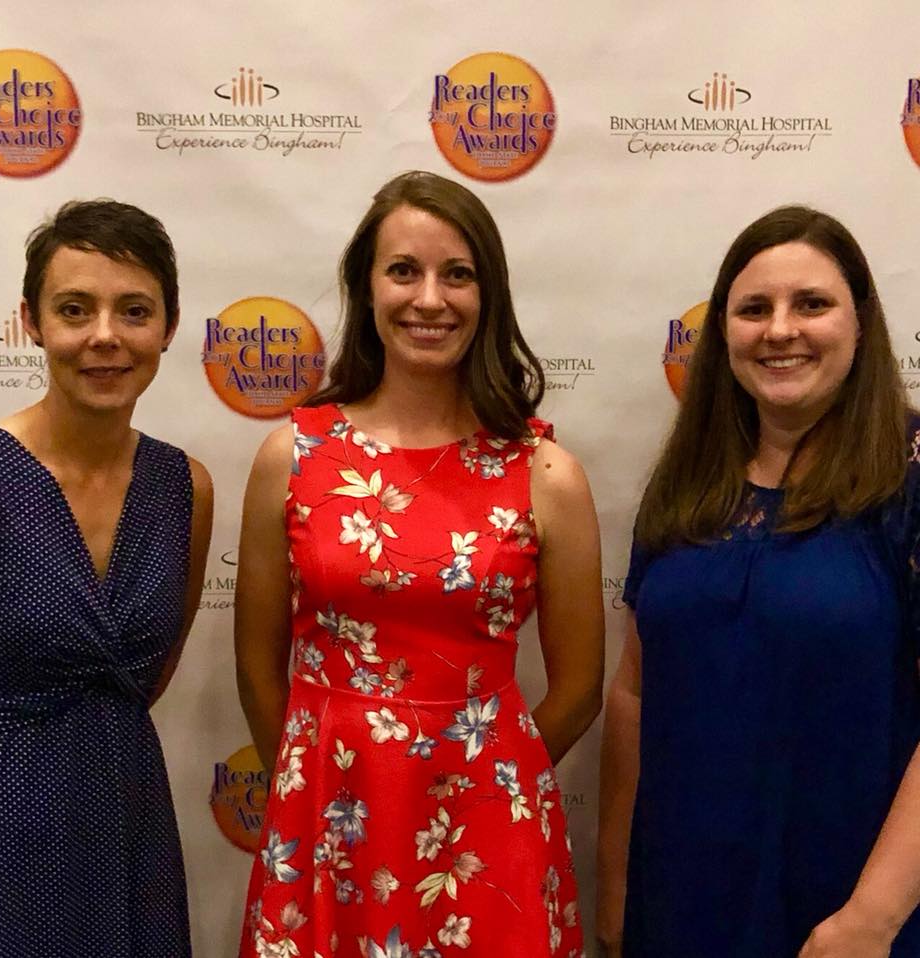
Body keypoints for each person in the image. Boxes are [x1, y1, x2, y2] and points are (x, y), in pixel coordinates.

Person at [235, 170, 603, 957]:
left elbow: (577, 691)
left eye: (457, 274)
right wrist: (319, 787)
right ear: (366, 287)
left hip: (487, 835)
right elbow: (259, 669)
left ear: (488, 294)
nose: (429, 298)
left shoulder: (545, 473)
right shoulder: (293, 456)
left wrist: (483, 778)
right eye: (404, 270)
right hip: (328, 824)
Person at [596, 205, 920, 958]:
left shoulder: (909, 472)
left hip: (849, 917)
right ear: (724, 334)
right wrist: (614, 884)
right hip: (682, 902)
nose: (780, 329)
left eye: (812, 304)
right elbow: (634, 692)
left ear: (861, 322)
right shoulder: (687, 481)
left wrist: (868, 922)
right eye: (753, 309)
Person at [0, 200, 213, 957]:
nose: (105, 336)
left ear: (168, 327)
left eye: (134, 310)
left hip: (128, 821)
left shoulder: (184, 488)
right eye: (75, 309)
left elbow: (151, 672)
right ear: (32, 323)